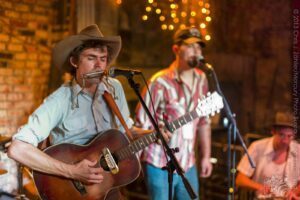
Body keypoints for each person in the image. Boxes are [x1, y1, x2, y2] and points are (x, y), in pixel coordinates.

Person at [7, 24, 146, 199]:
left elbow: (127, 132)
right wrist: (72, 172)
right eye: (91, 58)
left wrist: (154, 134)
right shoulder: (60, 100)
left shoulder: (114, 89)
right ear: (74, 62)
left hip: (108, 187)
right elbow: (17, 149)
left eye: (103, 59)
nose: (99, 65)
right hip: (72, 191)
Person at [135, 27, 213, 200]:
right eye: (191, 46)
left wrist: (206, 157)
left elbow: (204, 122)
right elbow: (141, 124)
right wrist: (135, 164)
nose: (196, 51)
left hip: (188, 162)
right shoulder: (158, 82)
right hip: (158, 163)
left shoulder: (202, 79)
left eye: (199, 47)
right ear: (176, 49)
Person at [236, 111, 300, 199]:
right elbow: (240, 179)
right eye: (281, 135)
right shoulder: (257, 147)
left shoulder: (298, 150)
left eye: (289, 136)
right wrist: (260, 187)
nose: (285, 141)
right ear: (273, 131)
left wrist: (294, 192)